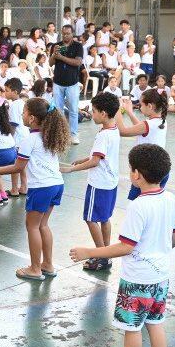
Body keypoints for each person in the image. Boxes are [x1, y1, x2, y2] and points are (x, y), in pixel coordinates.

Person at [70, 143, 175, 347]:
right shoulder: (170, 199)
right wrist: (157, 251)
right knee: (155, 323)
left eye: (131, 169)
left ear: (137, 174)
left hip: (137, 280)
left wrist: (89, 252)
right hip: (160, 277)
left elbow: (126, 247)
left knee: (132, 328)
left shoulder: (138, 206)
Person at [0, 98, 70, 281]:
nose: (21, 115)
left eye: (24, 112)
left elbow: (18, 167)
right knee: (43, 225)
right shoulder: (49, 136)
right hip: (56, 184)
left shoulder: (29, 140)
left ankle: (35, 268)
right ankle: (48, 264)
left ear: (32, 118)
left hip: (41, 187)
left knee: (32, 226)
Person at [61, 92, 121, 272]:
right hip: (110, 182)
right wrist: (83, 159)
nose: (92, 114)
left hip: (98, 184)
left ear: (103, 113)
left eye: (94, 111)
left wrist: (71, 170)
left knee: (90, 218)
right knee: (104, 218)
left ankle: (101, 256)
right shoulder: (114, 129)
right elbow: (99, 156)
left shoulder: (104, 135)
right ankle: (106, 252)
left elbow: (95, 162)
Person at [116, 90, 169, 200]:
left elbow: (122, 131)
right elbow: (141, 127)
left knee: (139, 203)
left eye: (141, 104)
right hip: (160, 169)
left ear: (149, 106)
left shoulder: (148, 124)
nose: (140, 107)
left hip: (147, 172)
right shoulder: (161, 121)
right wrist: (130, 112)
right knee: (154, 200)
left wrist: (117, 110)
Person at [51, 25, 83, 145]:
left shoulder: (78, 46)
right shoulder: (57, 46)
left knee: (73, 110)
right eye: (63, 33)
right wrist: (54, 55)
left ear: (72, 34)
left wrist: (62, 57)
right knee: (58, 111)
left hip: (72, 83)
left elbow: (78, 62)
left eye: (68, 33)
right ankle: (60, 134)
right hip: (58, 82)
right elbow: (50, 63)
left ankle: (73, 134)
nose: (65, 36)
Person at [3, 78, 28, 196]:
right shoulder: (22, 102)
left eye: (7, 90)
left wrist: (10, 139)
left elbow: (13, 124)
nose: (5, 93)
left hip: (17, 139)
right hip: (24, 136)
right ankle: (24, 187)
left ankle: (14, 189)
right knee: (22, 165)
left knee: (15, 165)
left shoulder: (14, 105)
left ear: (15, 92)